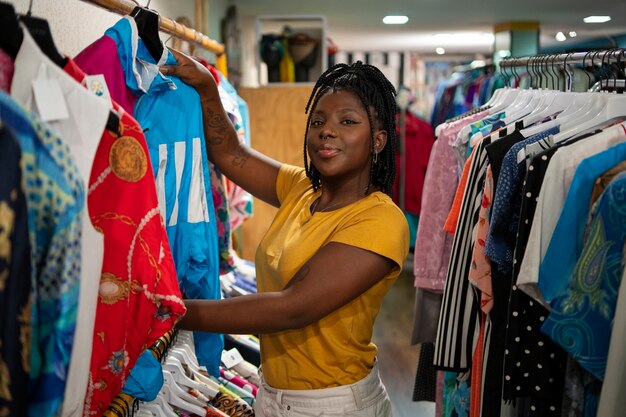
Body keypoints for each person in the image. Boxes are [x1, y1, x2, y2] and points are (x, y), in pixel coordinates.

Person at [160, 50, 409, 417]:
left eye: (348, 121)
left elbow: (292, 308)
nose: (327, 130)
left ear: (378, 141)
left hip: (334, 404)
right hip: (273, 392)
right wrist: (207, 87)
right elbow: (231, 155)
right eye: (318, 120)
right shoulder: (301, 189)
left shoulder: (381, 221)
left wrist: (167, 312)